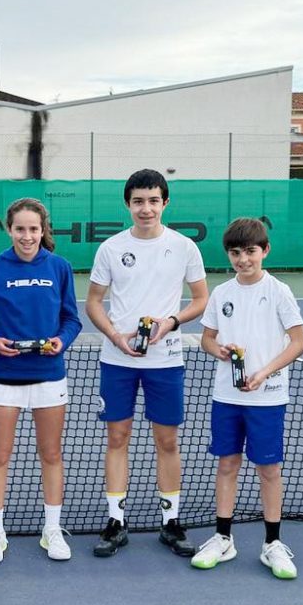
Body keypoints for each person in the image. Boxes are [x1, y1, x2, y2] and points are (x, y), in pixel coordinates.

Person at [85, 169, 209, 558]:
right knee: (117, 438)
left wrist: (171, 322)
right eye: (138, 201)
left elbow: (201, 299)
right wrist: (116, 337)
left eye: (153, 200)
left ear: (165, 203)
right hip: (117, 360)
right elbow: (92, 303)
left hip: (166, 360)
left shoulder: (185, 247)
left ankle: (171, 522)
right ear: (128, 204)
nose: (146, 208)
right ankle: (115, 522)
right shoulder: (109, 249)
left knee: (166, 441)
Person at [190, 217, 303, 577]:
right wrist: (219, 350)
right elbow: (207, 338)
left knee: (268, 469)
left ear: (265, 251)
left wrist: (265, 373)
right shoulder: (222, 293)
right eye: (236, 253)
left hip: (267, 397)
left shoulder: (279, 291)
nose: (243, 259)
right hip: (227, 396)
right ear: (229, 254)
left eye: (251, 252)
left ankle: (272, 543)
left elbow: (299, 341)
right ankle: (223, 538)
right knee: (227, 465)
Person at [0, 197, 82, 564]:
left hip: (49, 378)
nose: (28, 236)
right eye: (21, 228)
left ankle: (52, 530)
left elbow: (72, 320)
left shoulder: (59, 267)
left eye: (34, 229)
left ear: (43, 230)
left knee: (51, 454)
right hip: (3, 378)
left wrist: (60, 342)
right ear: (9, 229)